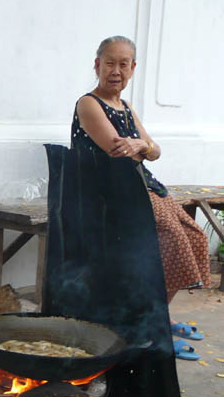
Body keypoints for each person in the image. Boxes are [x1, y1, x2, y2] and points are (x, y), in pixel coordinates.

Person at [71, 35, 211, 357]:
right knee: (172, 239)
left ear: (133, 68)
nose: (116, 70)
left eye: (123, 64)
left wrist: (142, 146)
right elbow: (117, 150)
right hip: (106, 191)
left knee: (195, 237)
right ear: (97, 65)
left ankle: (157, 314)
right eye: (109, 63)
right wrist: (140, 147)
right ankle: (146, 324)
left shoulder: (126, 106)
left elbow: (155, 151)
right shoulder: (89, 103)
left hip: (140, 186)